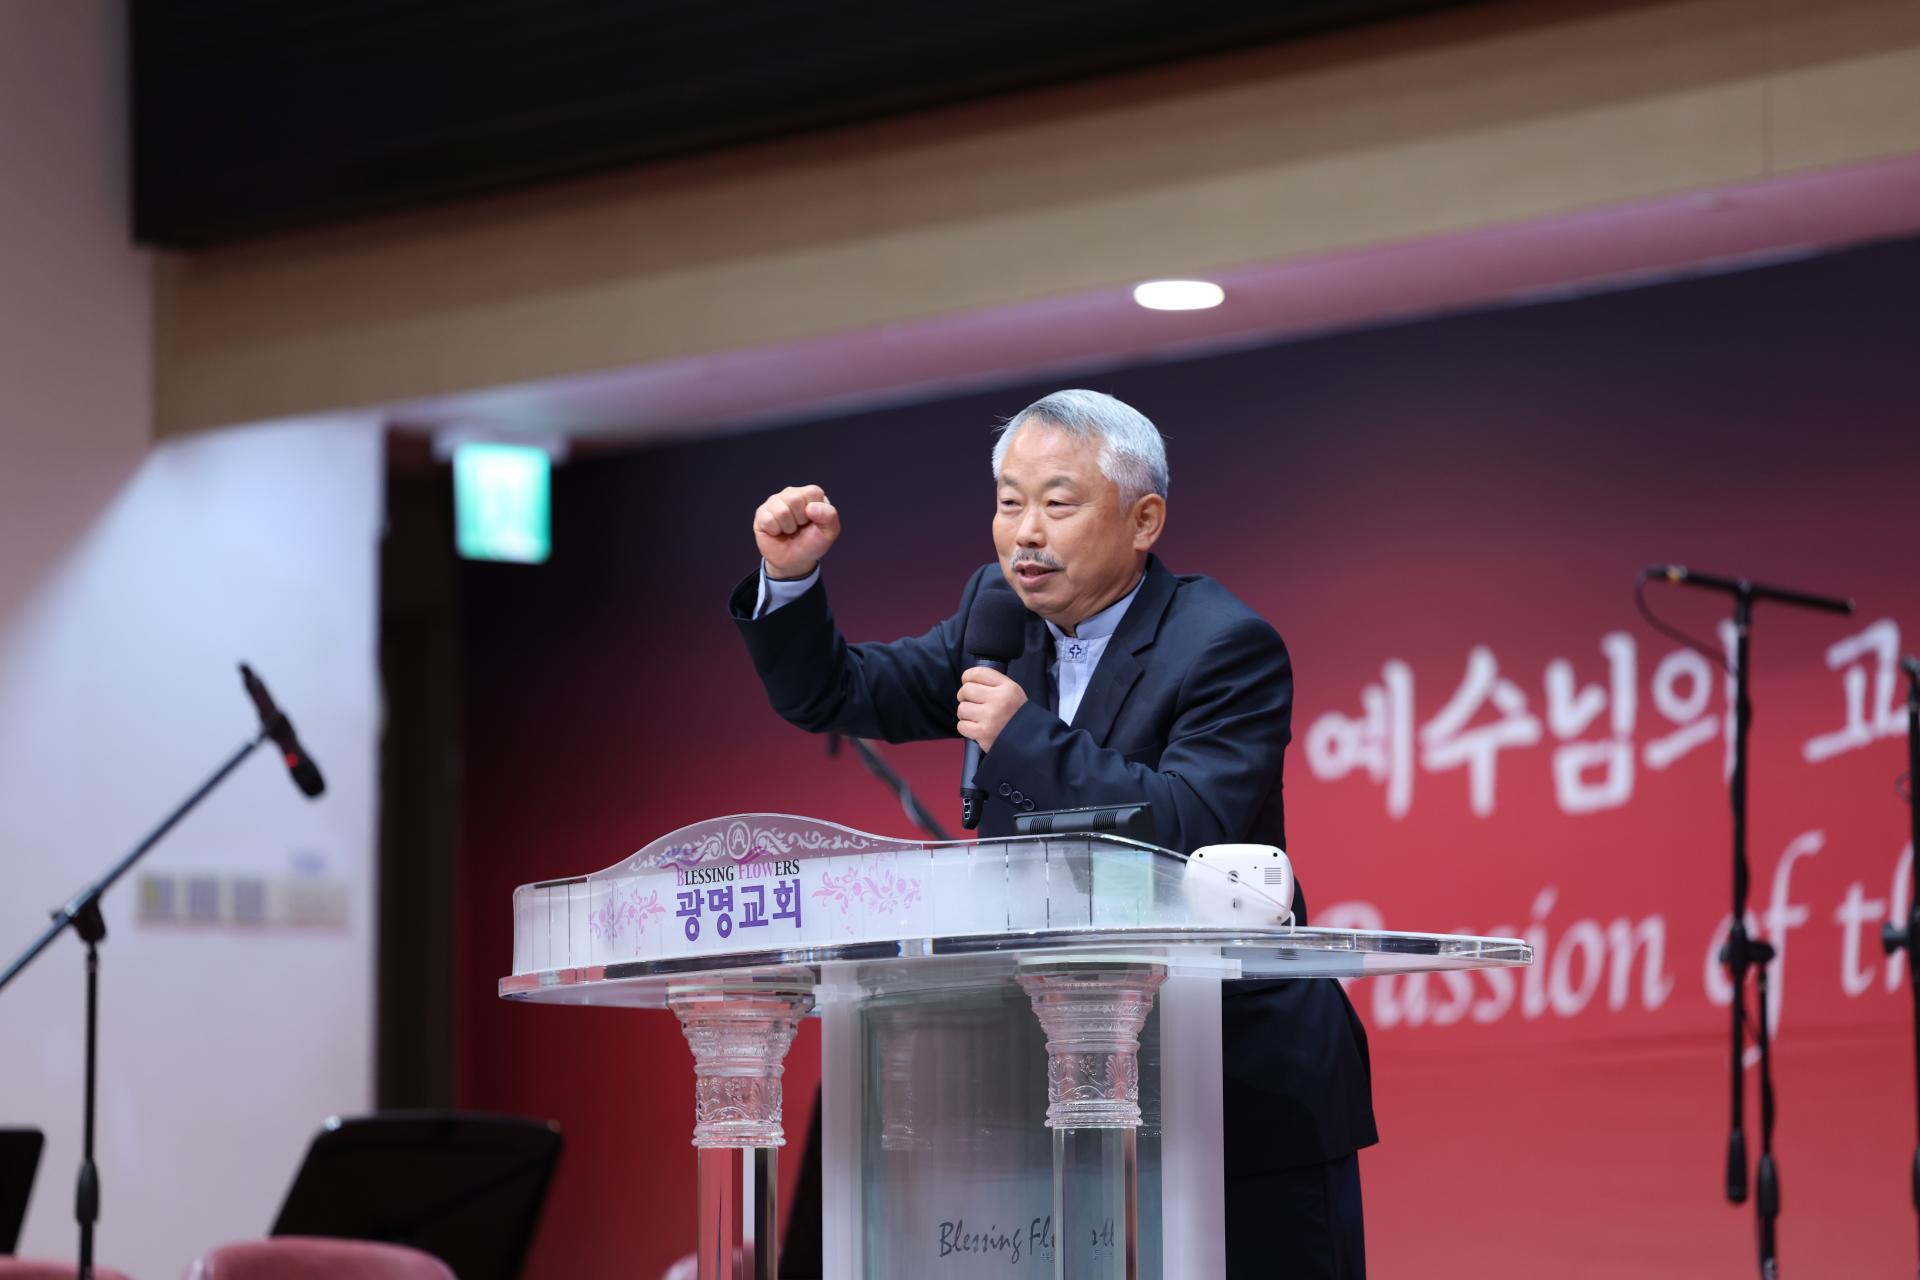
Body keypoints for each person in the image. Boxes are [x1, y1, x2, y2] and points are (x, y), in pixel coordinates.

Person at [731, 388, 1376, 1278]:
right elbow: (837, 692)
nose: (1025, 533)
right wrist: (791, 581)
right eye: (1009, 502)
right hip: (1061, 1069)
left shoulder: (1225, 645)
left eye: (1057, 503)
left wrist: (1022, 736)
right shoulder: (997, 617)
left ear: (1143, 520)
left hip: (1237, 1081)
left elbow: (1189, 825)